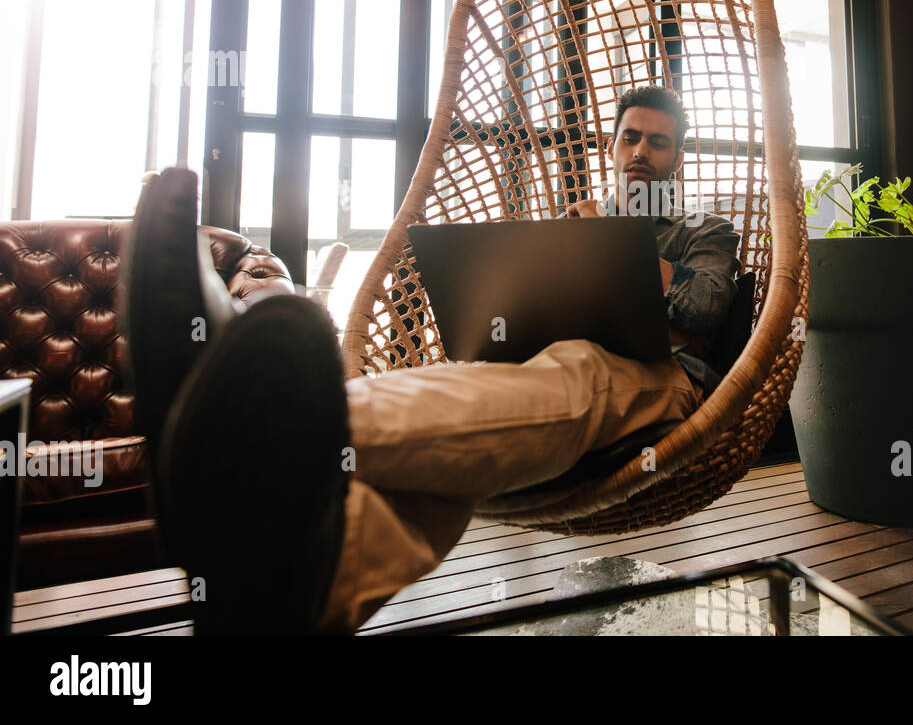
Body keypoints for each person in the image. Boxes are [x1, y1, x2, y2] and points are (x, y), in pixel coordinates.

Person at [123, 86, 741, 634]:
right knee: (461, 425)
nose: (640, 152)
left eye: (657, 143)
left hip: (664, 380)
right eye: (629, 137)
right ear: (610, 147)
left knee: (575, 370)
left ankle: (250, 422)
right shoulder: (577, 219)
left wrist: (616, 248)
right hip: (547, 365)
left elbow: (708, 306)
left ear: (676, 160)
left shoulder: (700, 228)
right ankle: (287, 597)